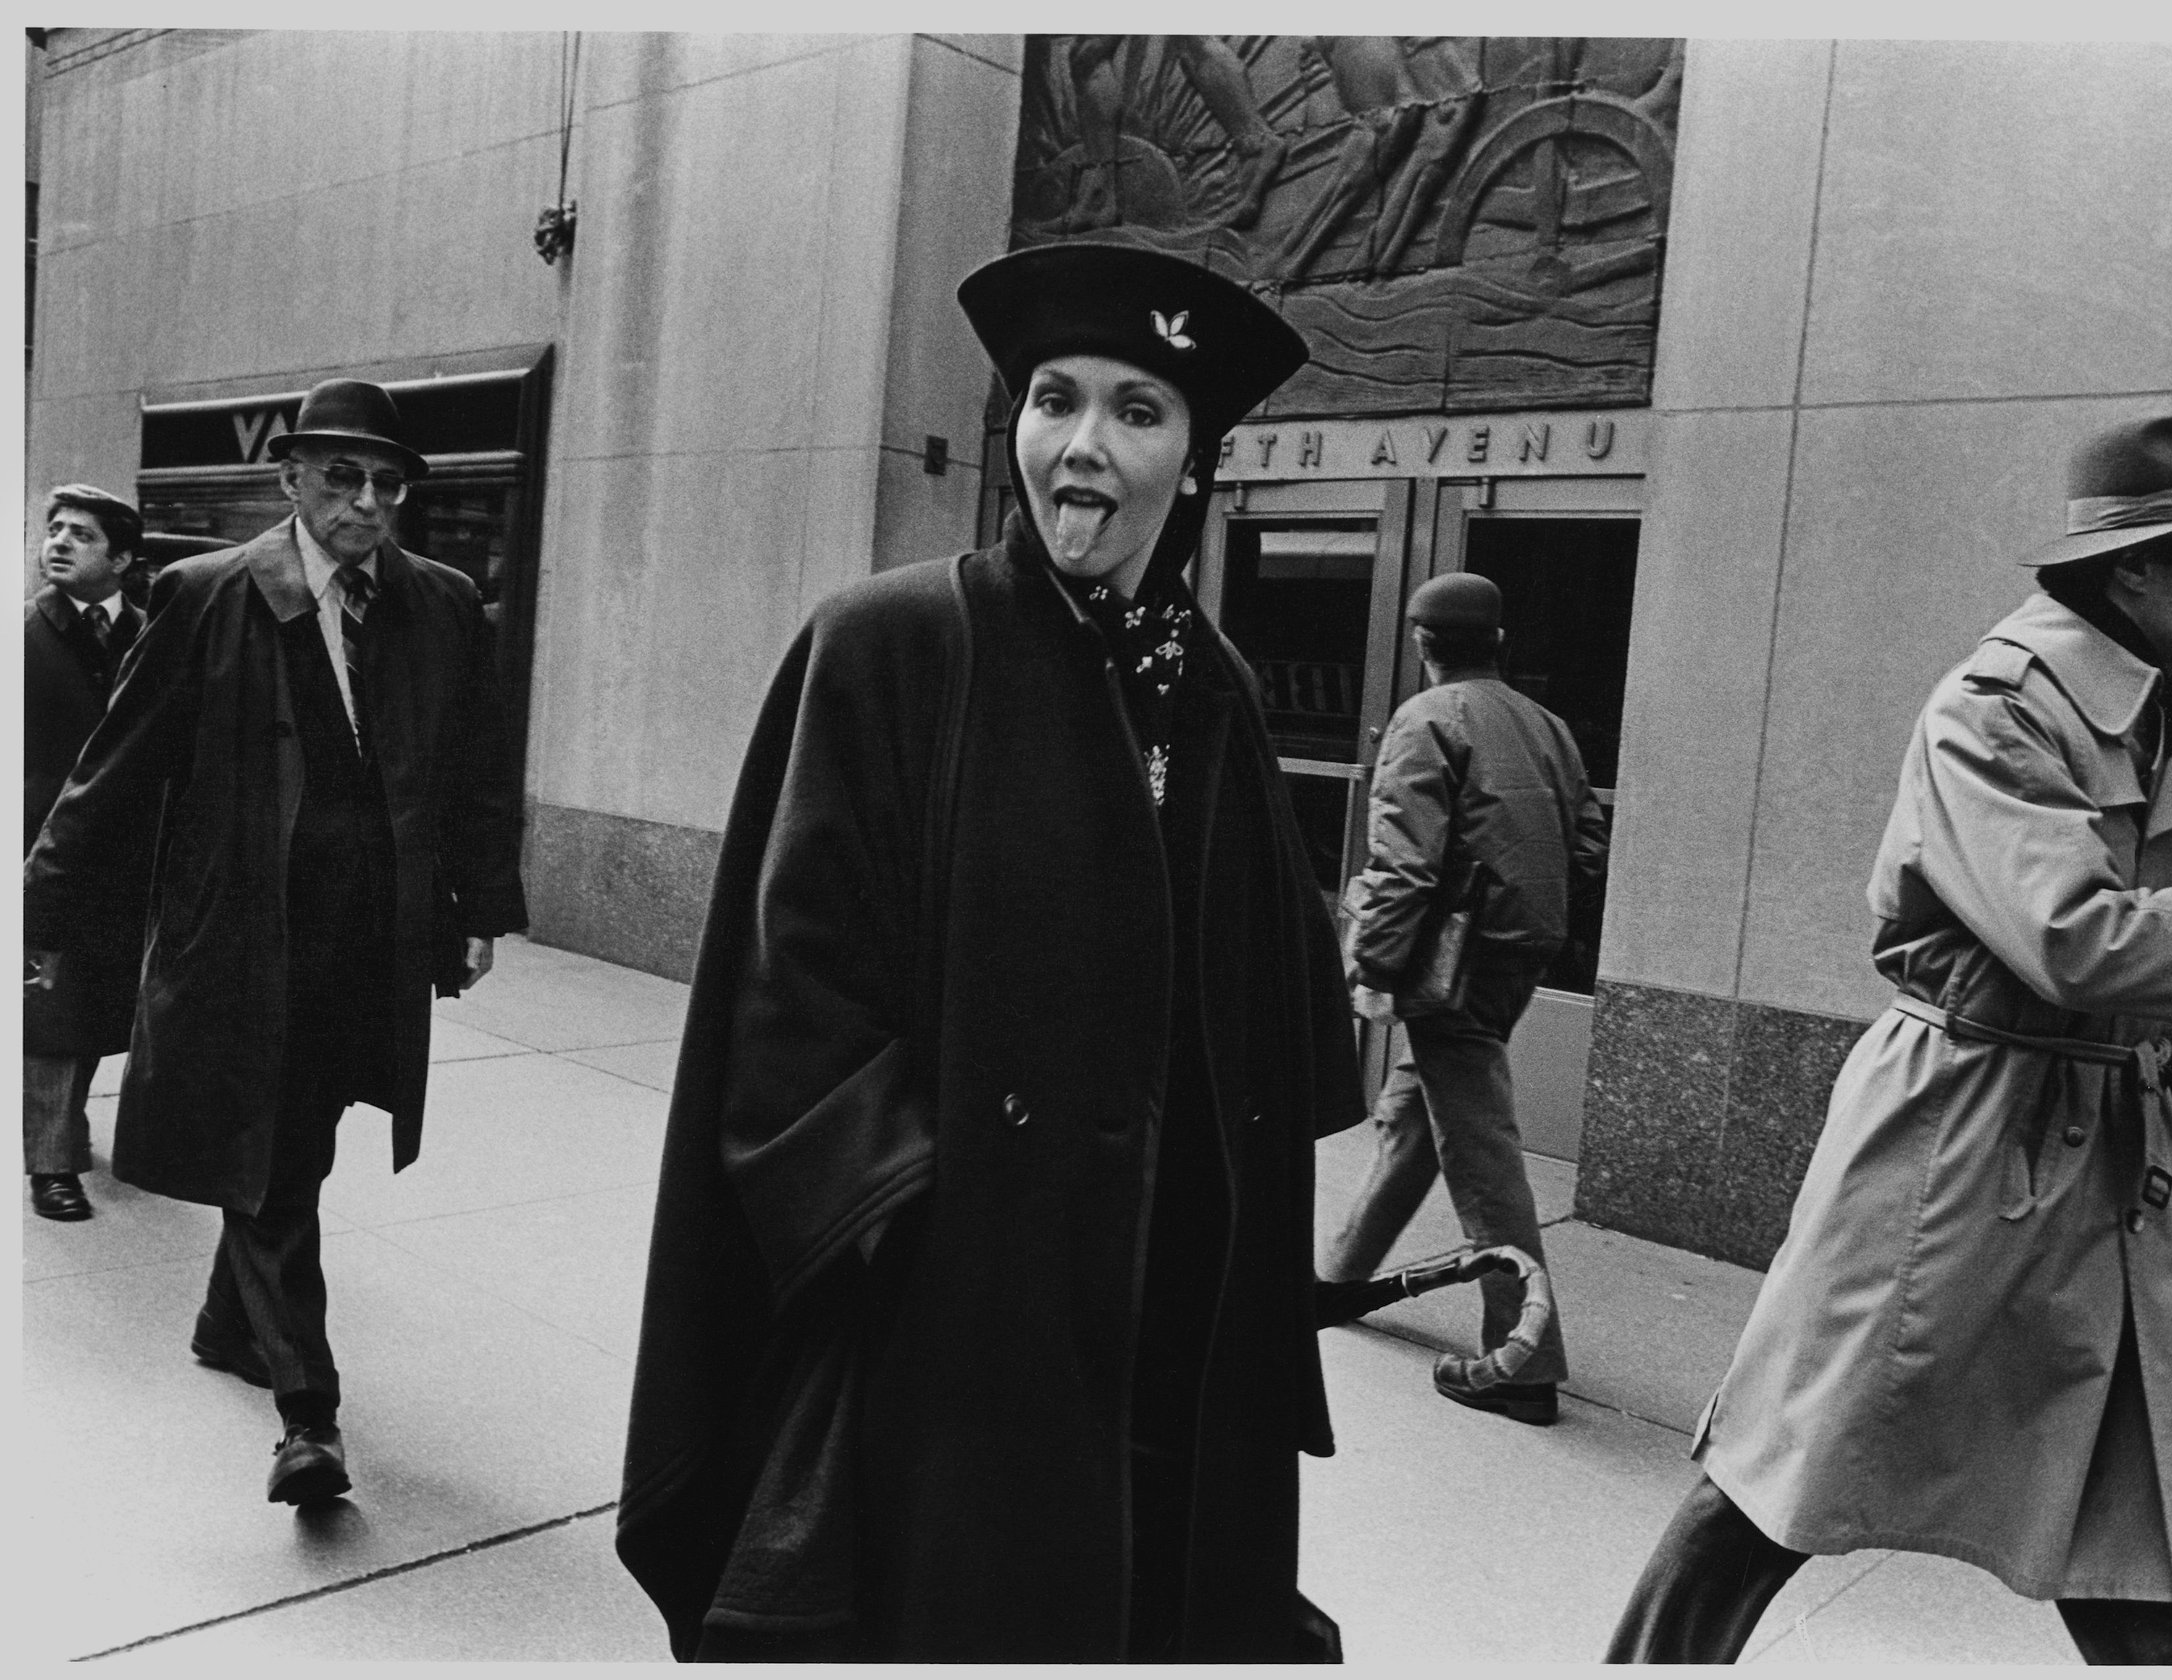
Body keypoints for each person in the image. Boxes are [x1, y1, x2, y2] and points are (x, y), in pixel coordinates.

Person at [1602, 415, 2172, 1665]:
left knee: (2159, 1525)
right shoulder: (2000, 703)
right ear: (2135, 570)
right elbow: (2075, 939)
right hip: (1958, 1152)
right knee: (1779, 1477)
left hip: (2102, 1154)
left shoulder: (2150, 702)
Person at [614, 243, 1366, 1662]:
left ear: (1194, 460)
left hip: (1163, 1329)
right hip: (949, 1338)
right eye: (1053, 399)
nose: (1083, 445)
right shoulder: (889, 644)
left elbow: (1268, 1021)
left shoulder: (1217, 694)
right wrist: (913, 1216)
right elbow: (791, 1005)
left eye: (1138, 411)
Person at [23, 380, 527, 1507]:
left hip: (375, 936)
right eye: (342, 477)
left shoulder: (440, 601)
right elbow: (118, 763)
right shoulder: (206, 594)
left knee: (299, 1136)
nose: (366, 502)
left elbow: (477, 771)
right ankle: (310, 1416)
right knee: (270, 1145)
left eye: (387, 484)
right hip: (244, 929)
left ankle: (228, 1325)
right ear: (291, 478)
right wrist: (42, 902)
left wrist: (481, 906)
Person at [1321, 569, 1606, 1425]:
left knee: (1478, 1146)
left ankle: (1524, 1358)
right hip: (1519, 949)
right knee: (1417, 1113)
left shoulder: (1426, 721)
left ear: (1420, 644)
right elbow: (1588, 844)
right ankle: (1336, 1280)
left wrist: (1370, 965)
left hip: (1452, 961)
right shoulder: (1545, 723)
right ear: (1499, 644)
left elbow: (1404, 867)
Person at [23, 484, 148, 1222]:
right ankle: (52, 1162)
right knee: (48, 1009)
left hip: (132, 856)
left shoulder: (151, 630)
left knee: (104, 1002)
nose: (61, 543)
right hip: (46, 849)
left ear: (123, 559)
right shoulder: (21, 633)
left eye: (83, 535)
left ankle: (64, 1131)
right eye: (55, 530)